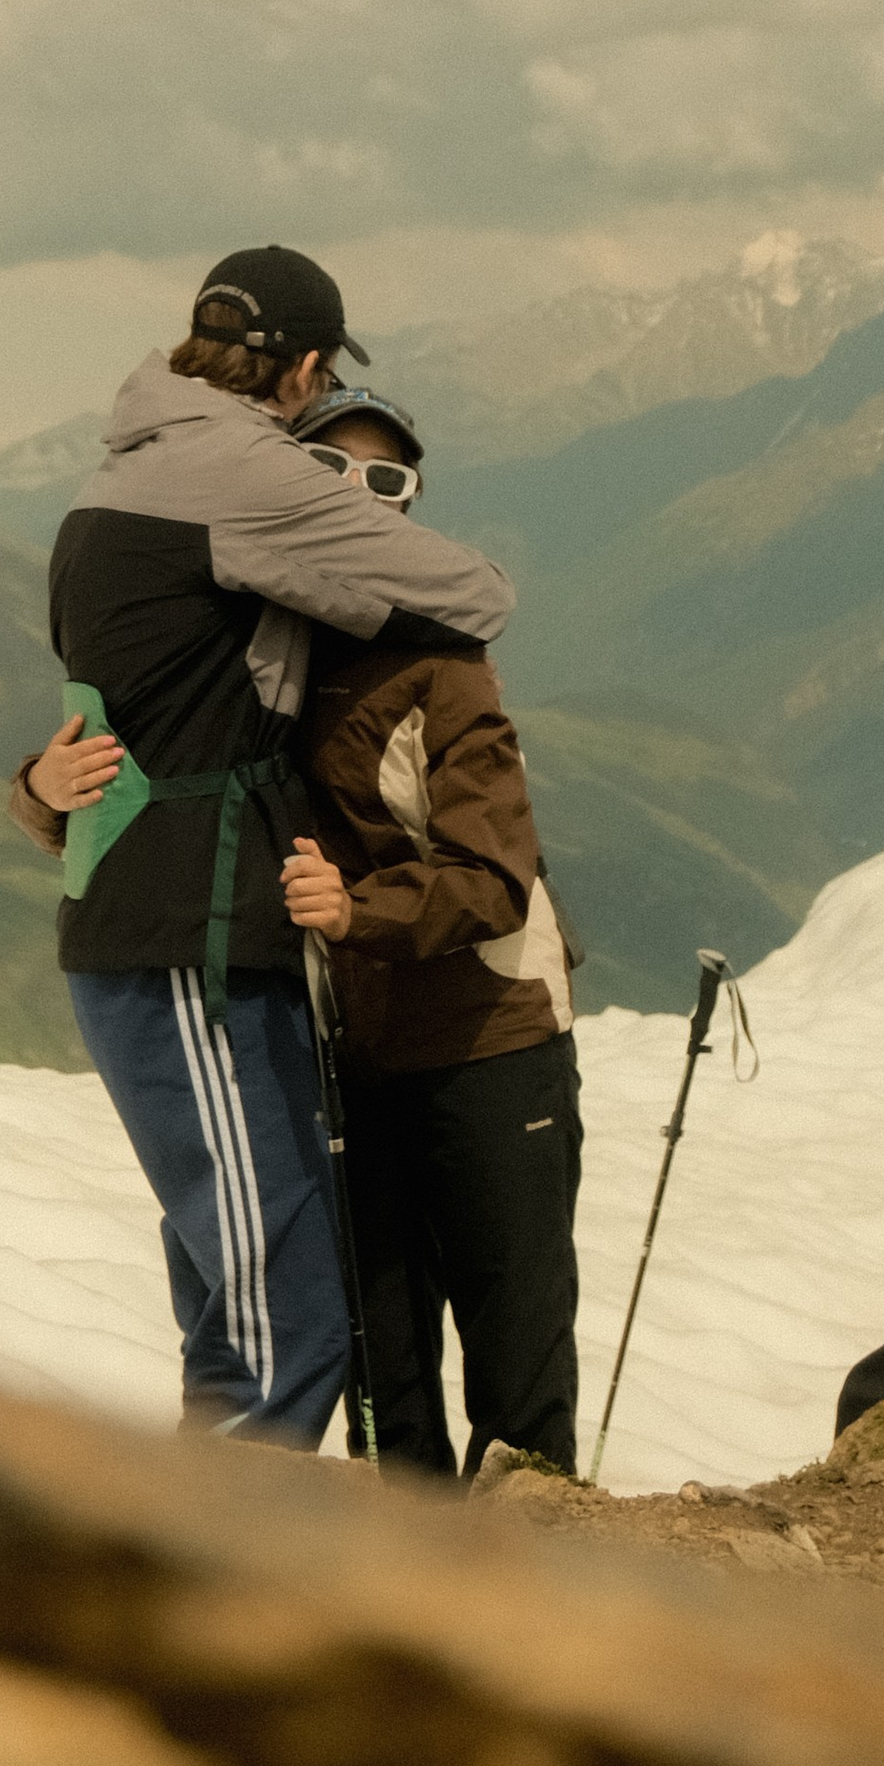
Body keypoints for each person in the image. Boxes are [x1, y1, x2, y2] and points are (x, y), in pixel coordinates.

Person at [14, 245, 514, 1450]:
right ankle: (225, 1605)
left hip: (146, 914)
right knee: (285, 1329)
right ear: (302, 367)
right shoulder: (240, 468)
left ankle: (188, 1572)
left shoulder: (117, 469)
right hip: (196, 925)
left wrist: (34, 791)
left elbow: (129, 698)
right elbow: (475, 592)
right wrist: (339, 561)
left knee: (228, 1311)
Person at [275, 387, 584, 1479]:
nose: (359, 497)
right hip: (358, 1054)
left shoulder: (446, 672)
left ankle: (529, 1625)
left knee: (515, 1382)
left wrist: (358, 913)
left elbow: (491, 878)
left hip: (490, 1044)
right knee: (388, 1379)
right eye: (328, 472)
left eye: (388, 481)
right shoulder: (270, 655)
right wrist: (45, 791)